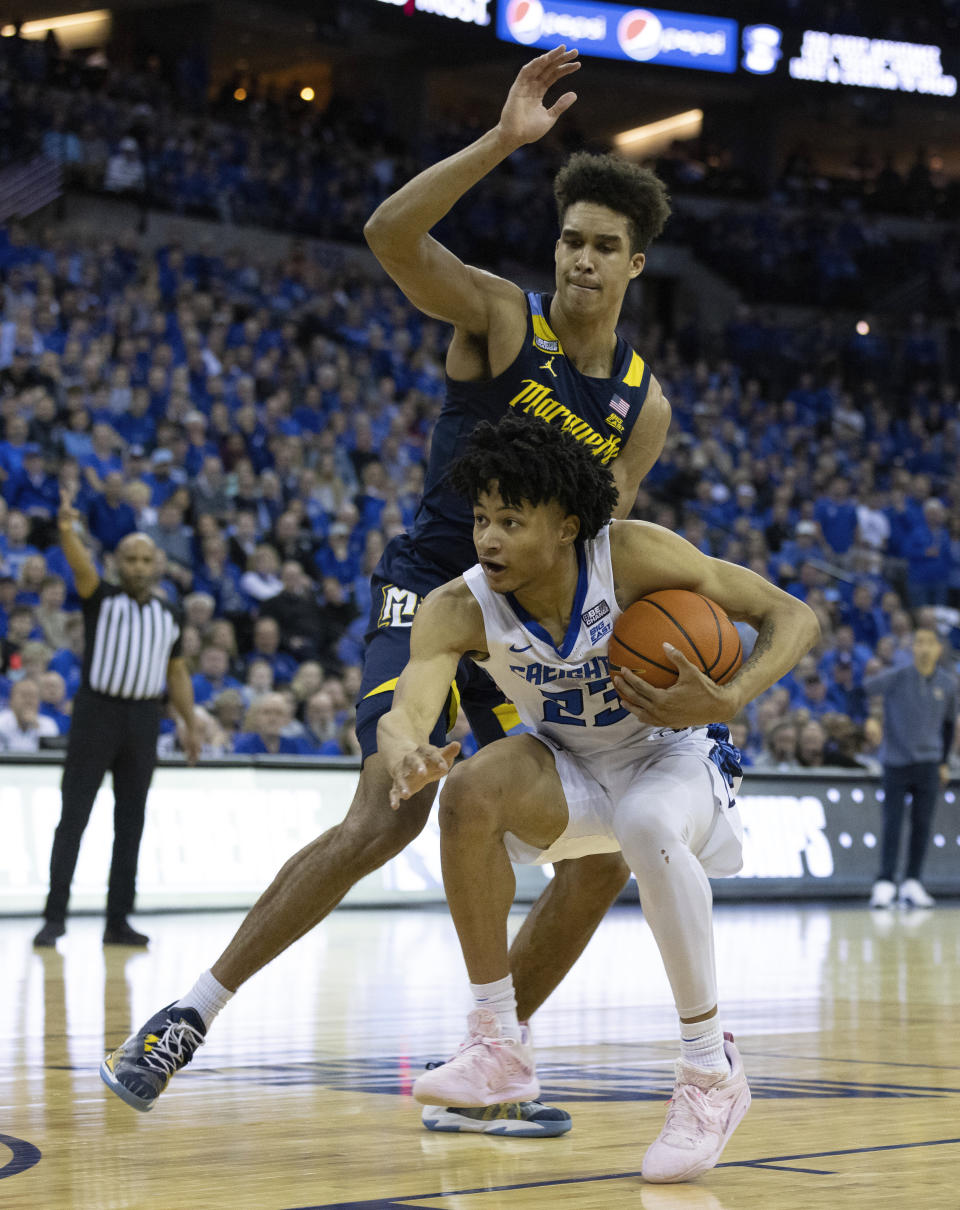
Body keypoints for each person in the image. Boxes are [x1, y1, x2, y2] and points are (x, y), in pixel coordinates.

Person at [99, 46, 673, 1134]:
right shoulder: (506, 320)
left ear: (637, 266)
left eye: (605, 247)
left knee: (603, 858)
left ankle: (487, 1062)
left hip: (529, 624)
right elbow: (388, 238)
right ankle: (188, 1011)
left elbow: (602, 545)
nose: (582, 260)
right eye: (571, 238)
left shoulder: (642, 408)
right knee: (388, 811)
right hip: (431, 590)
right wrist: (503, 143)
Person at [378, 416, 819, 1182]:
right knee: (470, 790)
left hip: (678, 755)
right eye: (482, 518)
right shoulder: (458, 603)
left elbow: (794, 615)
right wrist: (407, 748)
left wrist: (728, 694)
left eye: (511, 521)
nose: (488, 538)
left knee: (645, 821)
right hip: (575, 769)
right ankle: (498, 1043)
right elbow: (408, 706)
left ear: (567, 526)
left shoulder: (635, 554)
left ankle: (710, 1074)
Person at [32, 483, 202, 949]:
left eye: (147, 561)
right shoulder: (100, 596)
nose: (139, 567)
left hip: (145, 719)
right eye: (131, 559)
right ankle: (54, 916)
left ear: (158, 566)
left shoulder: (170, 614)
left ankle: (118, 920)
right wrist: (67, 529)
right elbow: (79, 563)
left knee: (131, 823)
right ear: (118, 564)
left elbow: (177, 673)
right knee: (74, 818)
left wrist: (189, 724)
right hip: (96, 714)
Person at [866, 627, 957, 909]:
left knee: (922, 824)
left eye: (930, 643)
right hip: (896, 760)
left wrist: (943, 762)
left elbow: (948, 725)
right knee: (892, 823)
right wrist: (873, 717)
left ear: (939, 649)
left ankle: (913, 881)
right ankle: (884, 882)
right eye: (919, 642)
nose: (924, 648)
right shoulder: (896, 677)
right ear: (912, 648)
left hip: (930, 763)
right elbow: (864, 690)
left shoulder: (949, 683)